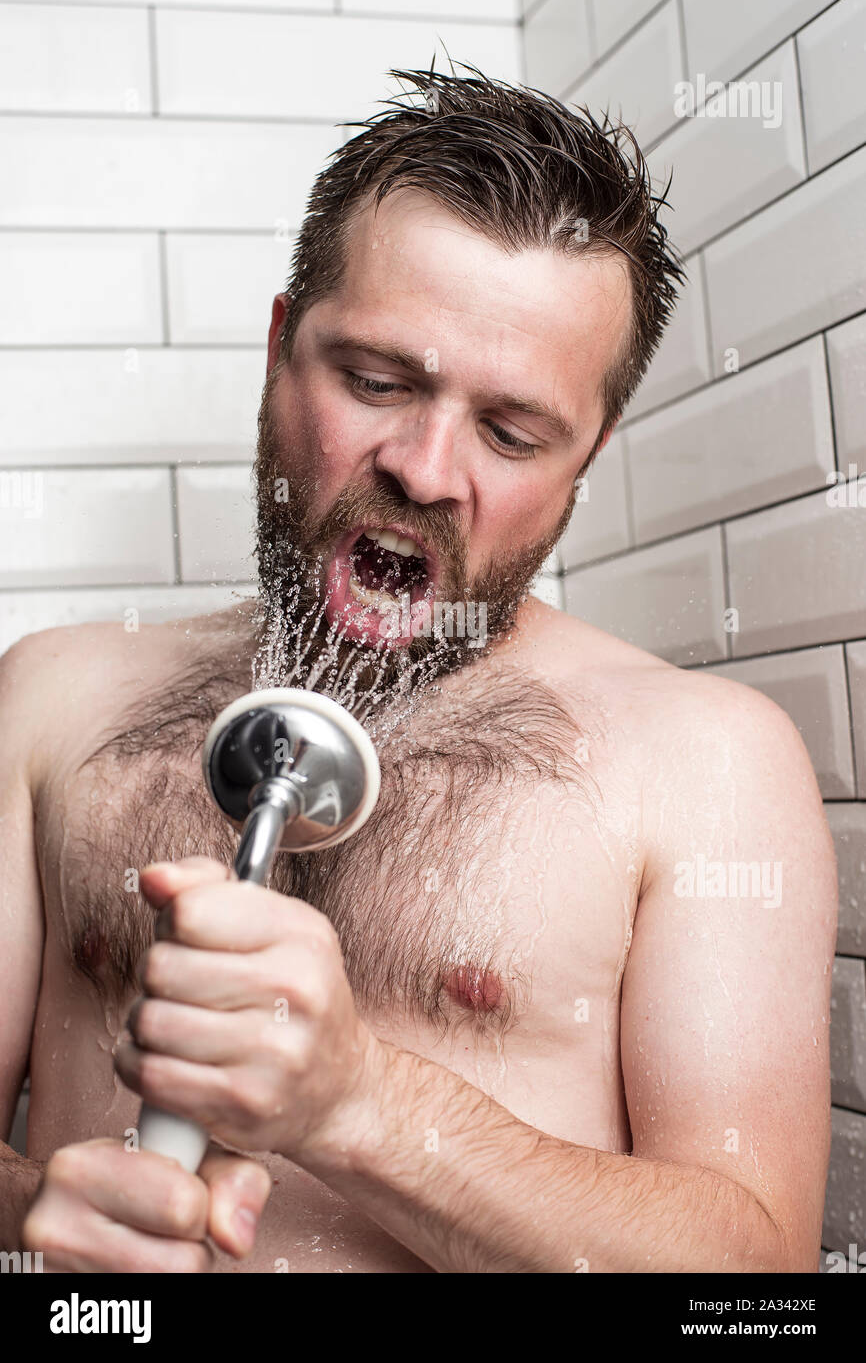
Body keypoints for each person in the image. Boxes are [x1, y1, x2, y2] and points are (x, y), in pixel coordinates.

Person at [4, 68, 835, 1273]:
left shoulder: (707, 762)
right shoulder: (52, 701)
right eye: (377, 381)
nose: (427, 468)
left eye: (509, 431)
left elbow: (756, 1281)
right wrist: (32, 1216)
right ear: (282, 344)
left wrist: (359, 1104)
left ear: (586, 453)